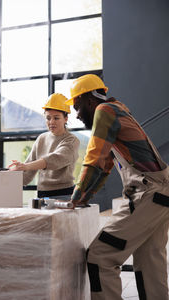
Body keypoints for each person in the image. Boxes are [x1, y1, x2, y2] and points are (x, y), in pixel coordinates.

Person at [65, 74, 169, 299]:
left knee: (99, 256)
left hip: (148, 193)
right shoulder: (118, 110)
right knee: (151, 264)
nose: (76, 113)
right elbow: (104, 167)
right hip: (161, 195)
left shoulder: (105, 111)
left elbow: (93, 159)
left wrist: (75, 199)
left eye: (77, 106)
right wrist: (83, 197)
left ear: (89, 100)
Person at [9, 93, 80, 200]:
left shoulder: (71, 140)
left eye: (56, 118)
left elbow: (54, 160)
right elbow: (28, 171)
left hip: (64, 194)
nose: (51, 122)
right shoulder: (42, 138)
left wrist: (25, 166)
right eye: (48, 118)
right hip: (42, 194)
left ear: (65, 118)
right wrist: (6, 179)